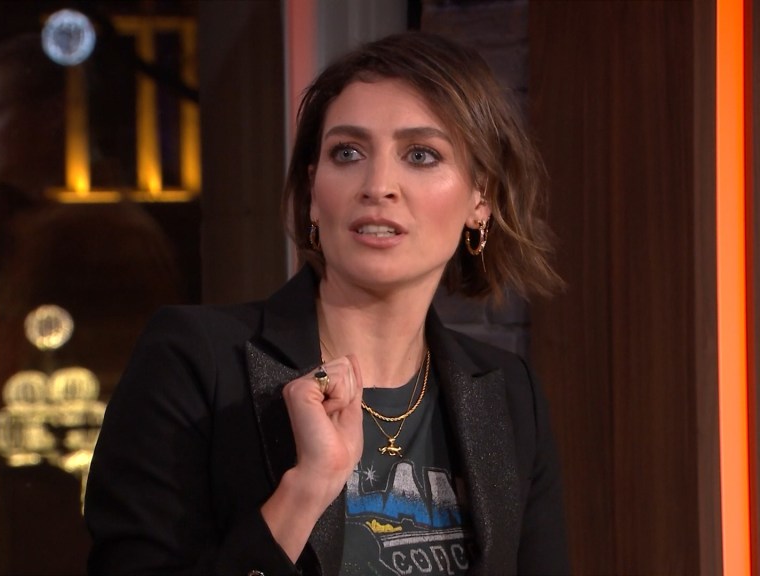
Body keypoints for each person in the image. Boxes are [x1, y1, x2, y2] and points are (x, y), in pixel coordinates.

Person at [85, 31, 569, 575]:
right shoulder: (194, 362)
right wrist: (305, 490)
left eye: (421, 155)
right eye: (348, 153)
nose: (378, 185)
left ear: (482, 198)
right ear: (314, 191)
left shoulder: (510, 394)